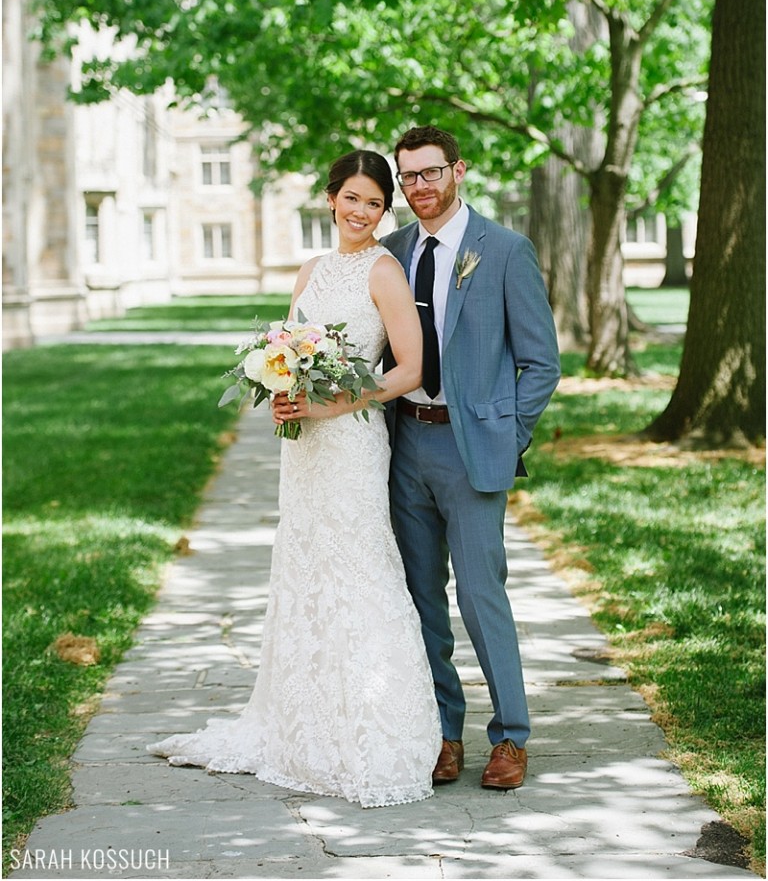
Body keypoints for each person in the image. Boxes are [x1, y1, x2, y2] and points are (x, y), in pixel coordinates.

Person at [149, 150, 442, 808]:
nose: (362, 211)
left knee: (358, 568)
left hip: (351, 441)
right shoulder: (310, 269)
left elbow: (411, 367)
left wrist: (335, 404)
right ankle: (301, 719)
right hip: (302, 444)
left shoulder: (386, 271)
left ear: (382, 209)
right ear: (331, 197)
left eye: (374, 202)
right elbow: (291, 346)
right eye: (352, 198)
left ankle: (370, 727)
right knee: (305, 568)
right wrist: (280, 385)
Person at [381, 125, 560, 792]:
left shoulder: (506, 251)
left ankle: (511, 735)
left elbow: (541, 363)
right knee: (420, 598)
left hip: (471, 446)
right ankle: (443, 733)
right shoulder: (392, 251)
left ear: (459, 169)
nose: (419, 186)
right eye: (409, 177)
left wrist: (506, 434)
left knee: (483, 596)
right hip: (406, 444)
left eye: (430, 172)